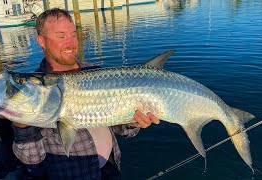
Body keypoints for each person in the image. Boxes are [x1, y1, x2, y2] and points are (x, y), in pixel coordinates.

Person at [9, 8, 160, 179]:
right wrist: (22, 125)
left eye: (73, 35)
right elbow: (31, 160)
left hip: (111, 169)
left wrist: (135, 122)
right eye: (61, 36)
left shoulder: (96, 72)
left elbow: (123, 129)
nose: (71, 42)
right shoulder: (34, 91)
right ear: (41, 41)